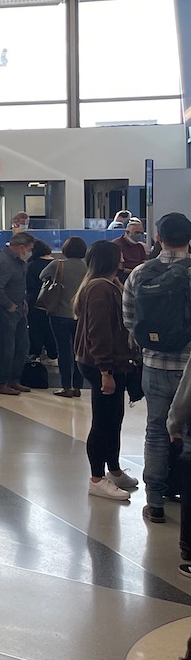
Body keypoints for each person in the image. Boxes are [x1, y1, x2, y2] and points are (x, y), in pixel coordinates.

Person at [123, 211, 191, 525]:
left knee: (155, 432)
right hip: (189, 368)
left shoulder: (139, 273)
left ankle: (155, 503)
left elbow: (129, 321)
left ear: (158, 238)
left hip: (154, 365)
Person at [73, 240, 139, 502]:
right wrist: (106, 370)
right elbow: (98, 332)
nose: (123, 259)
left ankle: (113, 469)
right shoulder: (100, 289)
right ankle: (96, 478)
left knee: (114, 418)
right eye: (119, 256)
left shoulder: (107, 286)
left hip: (111, 362)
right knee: (103, 421)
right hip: (101, 364)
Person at [41, 236, 89, 397]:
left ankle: (66, 386)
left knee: (63, 350)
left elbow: (42, 276)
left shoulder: (57, 264)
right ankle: (77, 386)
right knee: (79, 351)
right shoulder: (87, 266)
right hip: (81, 314)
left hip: (58, 313)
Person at [0, 232, 34, 396]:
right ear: (21, 247)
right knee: (6, 347)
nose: (30, 252)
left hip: (19, 309)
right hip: (4, 310)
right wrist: (9, 305)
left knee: (22, 346)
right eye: (29, 249)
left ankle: (14, 379)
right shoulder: (5, 262)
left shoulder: (19, 261)